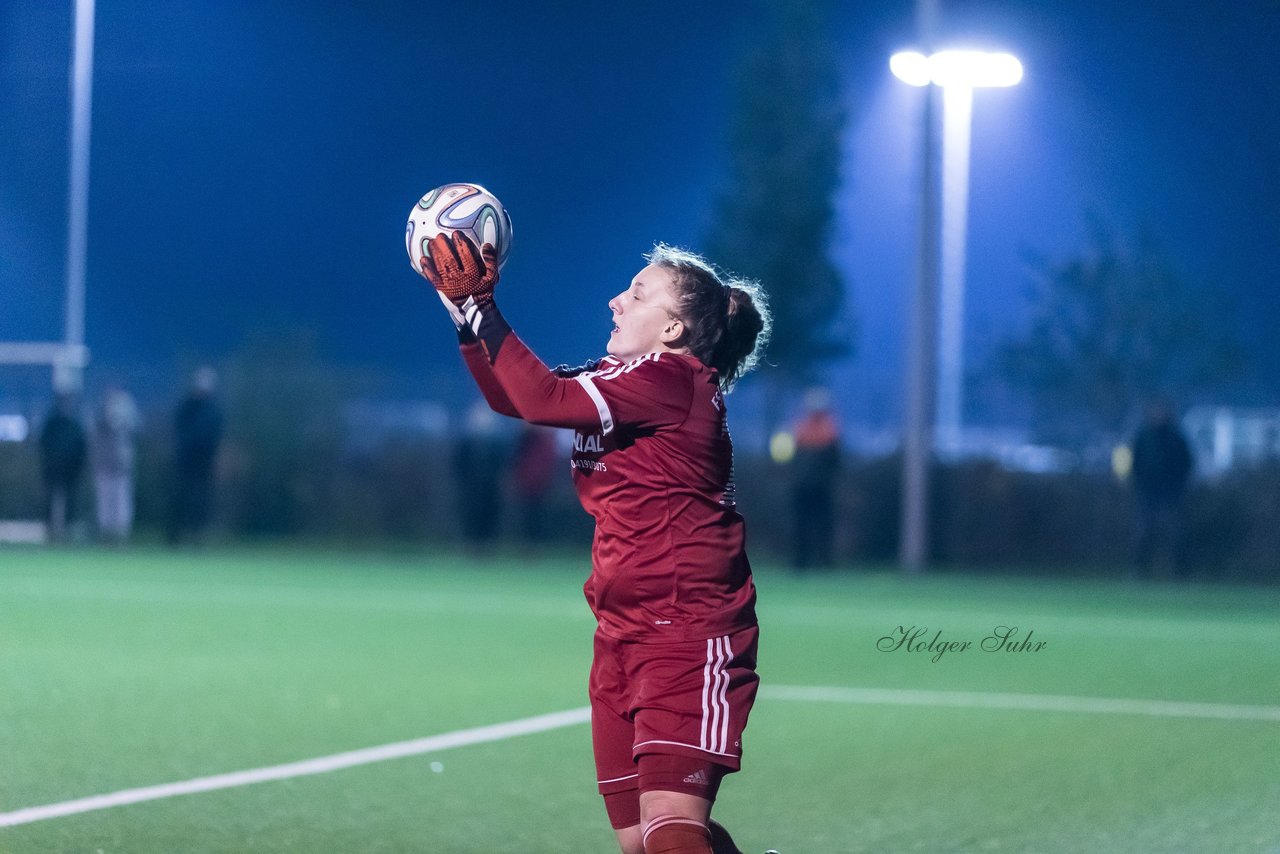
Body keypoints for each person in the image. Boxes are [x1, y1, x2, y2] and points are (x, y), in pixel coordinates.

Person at [420, 231, 773, 854]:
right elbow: (514, 398)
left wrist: (483, 304)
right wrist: (462, 313)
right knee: (640, 839)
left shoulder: (674, 378)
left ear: (672, 330)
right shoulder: (626, 377)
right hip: (621, 630)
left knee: (669, 825)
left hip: (687, 632)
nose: (615, 301)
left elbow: (538, 395)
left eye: (637, 294)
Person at [1129, 398, 1194, 579]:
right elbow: (1136, 463)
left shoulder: (1176, 438)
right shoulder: (1144, 437)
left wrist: (1178, 485)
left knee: (1174, 533)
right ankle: (1139, 570)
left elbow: (1186, 463)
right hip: (1147, 492)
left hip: (1171, 493)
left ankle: (1179, 571)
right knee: (1144, 532)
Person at [168, 367, 223, 545]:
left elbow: (214, 434)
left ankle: (196, 534)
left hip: (204, 462)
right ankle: (176, 535)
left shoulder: (213, 410)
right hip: (185, 460)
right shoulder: (187, 406)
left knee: (200, 499)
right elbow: (179, 427)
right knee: (181, 496)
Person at [788, 388, 841, 570]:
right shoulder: (809, 427)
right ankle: (803, 561)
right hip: (807, 485)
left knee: (821, 525)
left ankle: (822, 561)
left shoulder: (828, 427)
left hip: (819, 486)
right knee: (805, 524)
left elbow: (834, 459)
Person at [452, 399, 507, 549]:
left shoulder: (495, 445)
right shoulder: (467, 445)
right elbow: (459, 464)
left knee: (489, 516)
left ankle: (487, 545)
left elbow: (501, 465)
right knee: (470, 515)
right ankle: (471, 544)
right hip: (470, 488)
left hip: (489, 488)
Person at [90, 386, 142, 544]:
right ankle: (106, 534)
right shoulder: (100, 420)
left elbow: (137, 428)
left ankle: (121, 535)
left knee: (122, 501)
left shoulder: (126, 424)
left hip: (121, 468)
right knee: (105, 502)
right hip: (104, 466)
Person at [38, 392, 87, 543]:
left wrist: (77, 464)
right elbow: (44, 443)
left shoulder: (74, 424)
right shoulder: (52, 423)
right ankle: (51, 531)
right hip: (53, 468)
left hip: (70, 470)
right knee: (52, 500)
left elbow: (81, 447)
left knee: (70, 501)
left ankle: (67, 531)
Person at [510, 424, 560, 545]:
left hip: (540, 482)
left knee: (537, 515)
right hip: (529, 481)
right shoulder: (528, 440)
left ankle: (535, 543)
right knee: (528, 514)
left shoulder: (543, 441)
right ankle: (529, 543)